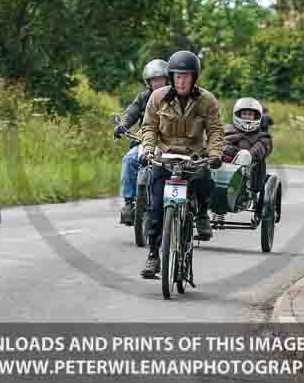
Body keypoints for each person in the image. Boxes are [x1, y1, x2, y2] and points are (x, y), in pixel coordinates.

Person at [138, 50, 225, 278]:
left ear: (194, 78)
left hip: (194, 158)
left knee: (205, 180)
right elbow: (148, 127)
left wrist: (214, 154)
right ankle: (154, 255)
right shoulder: (157, 97)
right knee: (155, 208)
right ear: (172, 77)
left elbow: (215, 130)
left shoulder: (207, 100)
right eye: (177, 76)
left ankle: (202, 214)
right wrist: (148, 150)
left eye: (186, 76)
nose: (182, 80)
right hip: (164, 159)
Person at [113, 59, 169, 225]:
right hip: (145, 139)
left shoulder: (176, 96)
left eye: (160, 79)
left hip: (170, 142)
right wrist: (122, 125)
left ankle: (184, 206)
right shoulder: (143, 97)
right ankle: (129, 204)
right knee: (129, 160)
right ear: (148, 82)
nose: (157, 83)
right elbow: (131, 113)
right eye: (154, 80)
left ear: (167, 79)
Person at [222, 98, 273, 199]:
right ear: (238, 115)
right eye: (244, 114)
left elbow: (261, 148)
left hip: (248, 175)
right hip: (222, 167)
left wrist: (246, 154)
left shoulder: (263, 136)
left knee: (244, 155)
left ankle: (234, 191)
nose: (247, 117)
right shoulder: (226, 129)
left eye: (250, 114)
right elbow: (218, 144)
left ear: (256, 116)